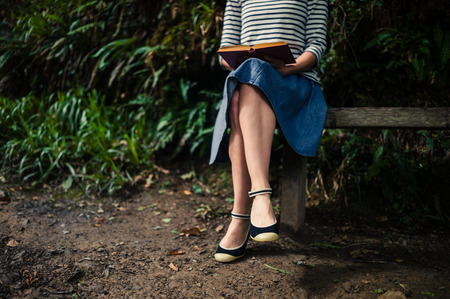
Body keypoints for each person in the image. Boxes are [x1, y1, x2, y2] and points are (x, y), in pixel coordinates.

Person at [210, 0, 329, 263]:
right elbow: (224, 52)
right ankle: (258, 201)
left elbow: (317, 45)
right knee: (248, 81)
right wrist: (241, 60)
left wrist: (293, 66)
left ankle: (241, 216)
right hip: (248, 83)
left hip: (294, 81)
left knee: (244, 91)